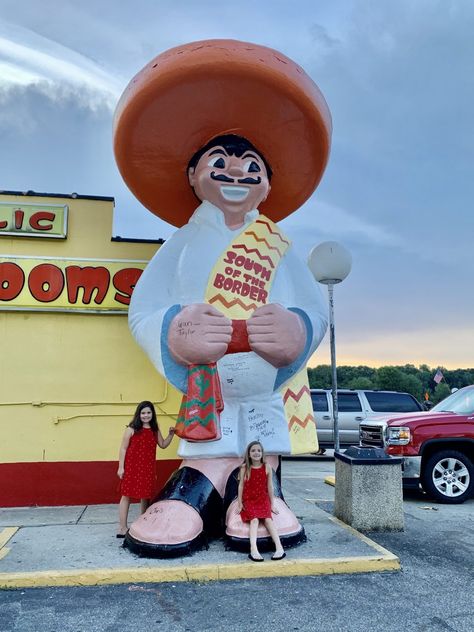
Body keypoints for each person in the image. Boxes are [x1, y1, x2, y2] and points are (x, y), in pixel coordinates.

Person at [113, 39, 332, 556]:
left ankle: (261, 489)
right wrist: (174, 329)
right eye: (220, 161)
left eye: (251, 164)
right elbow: (141, 309)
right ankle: (200, 483)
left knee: (261, 438)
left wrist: (296, 330)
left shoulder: (278, 246)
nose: (237, 172)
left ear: (267, 185)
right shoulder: (183, 244)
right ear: (193, 176)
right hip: (205, 384)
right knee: (207, 441)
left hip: (262, 386)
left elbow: (315, 308)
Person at [117, 401, 174, 537]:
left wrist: (171, 434)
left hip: (147, 468)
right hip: (132, 468)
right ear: (138, 414)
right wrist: (120, 467)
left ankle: (143, 524)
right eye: (143, 413)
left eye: (148, 412)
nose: (146, 415)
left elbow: (163, 444)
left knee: (145, 496)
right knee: (126, 496)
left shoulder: (154, 429)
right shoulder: (131, 429)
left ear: (152, 414)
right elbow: (123, 448)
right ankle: (122, 528)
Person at [238, 441, 286, 562]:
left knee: (268, 520)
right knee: (254, 520)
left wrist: (272, 504)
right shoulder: (245, 468)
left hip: (262, 499)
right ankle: (253, 549)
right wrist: (240, 503)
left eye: (259, 450)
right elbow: (241, 486)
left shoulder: (267, 467)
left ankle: (279, 547)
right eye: (253, 450)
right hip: (249, 500)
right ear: (249, 454)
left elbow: (270, 487)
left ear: (262, 453)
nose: (256, 453)